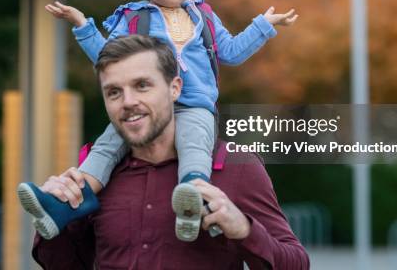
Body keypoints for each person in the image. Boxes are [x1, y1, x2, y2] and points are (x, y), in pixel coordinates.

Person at [19, 0, 298, 242]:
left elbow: (232, 52)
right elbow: (109, 59)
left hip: (195, 106)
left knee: (195, 143)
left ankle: (192, 203)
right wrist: (83, 26)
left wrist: (262, 25)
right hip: (146, 107)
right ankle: (66, 204)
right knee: (107, 145)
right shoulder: (135, 19)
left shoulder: (204, 16)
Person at [32, 35, 310, 269]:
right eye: (114, 92)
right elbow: (64, 264)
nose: (128, 102)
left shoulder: (236, 166)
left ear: (174, 88)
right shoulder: (94, 177)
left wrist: (245, 230)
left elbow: (297, 263)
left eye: (142, 85)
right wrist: (51, 221)